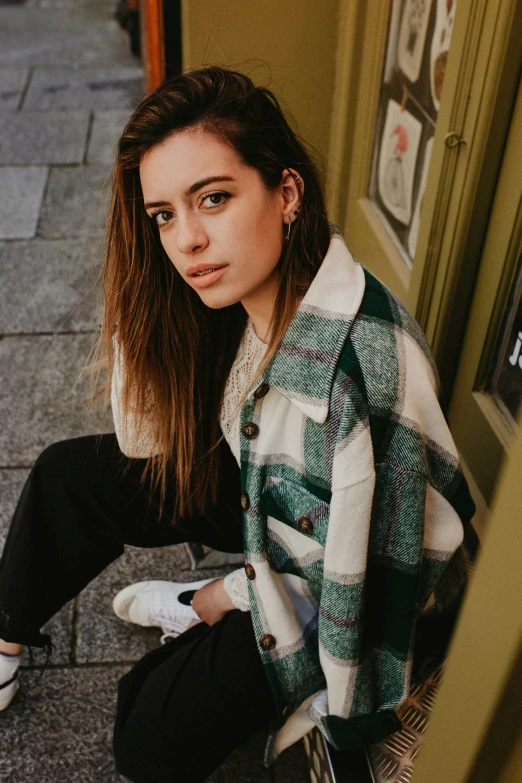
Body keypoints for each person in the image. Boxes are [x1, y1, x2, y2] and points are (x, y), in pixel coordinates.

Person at [0, 66, 475, 782]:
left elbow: (358, 594)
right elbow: (143, 443)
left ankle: (199, 604)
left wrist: (229, 596)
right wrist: (145, 288)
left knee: (142, 729)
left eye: (213, 198)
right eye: (163, 214)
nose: (187, 239)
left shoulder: (364, 380)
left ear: (286, 193)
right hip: (272, 498)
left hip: (346, 584)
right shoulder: (253, 285)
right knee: (70, 476)